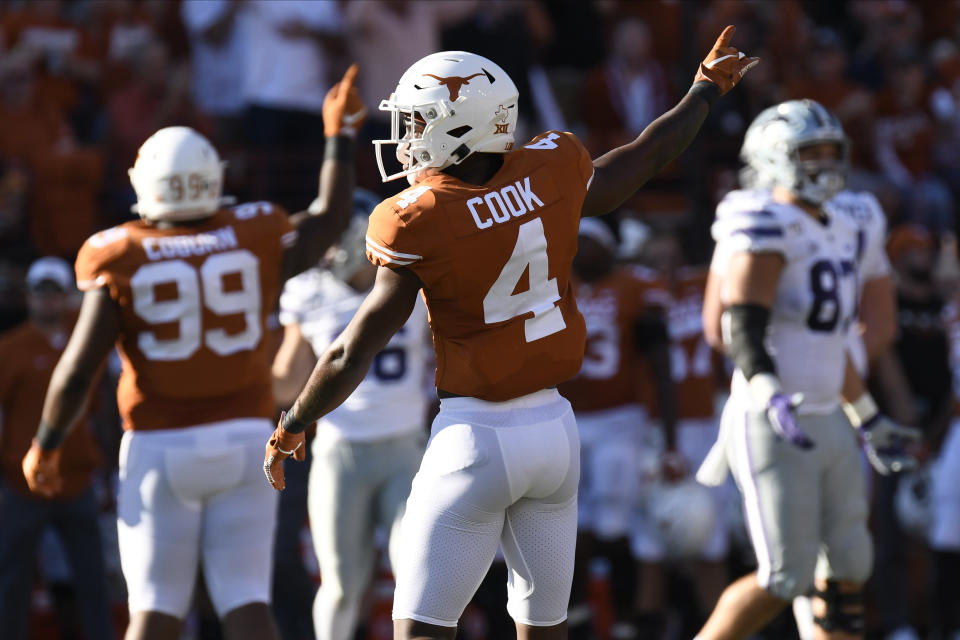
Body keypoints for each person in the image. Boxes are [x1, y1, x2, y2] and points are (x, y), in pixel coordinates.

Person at [264, 30, 759, 640]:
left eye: (420, 121)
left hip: (475, 435)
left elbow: (350, 348)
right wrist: (704, 91)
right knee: (542, 628)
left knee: (420, 628)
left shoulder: (418, 218)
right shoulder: (549, 167)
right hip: (555, 431)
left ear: (462, 125)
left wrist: (294, 421)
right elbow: (643, 158)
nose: (409, 136)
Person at [20, 66, 366, 640]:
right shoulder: (254, 235)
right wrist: (339, 135)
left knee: (155, 610)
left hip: (160, 444)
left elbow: (78, 371)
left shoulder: (121, 253)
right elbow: (330, 218)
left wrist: (47, 445)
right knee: (247, 602)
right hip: (244, 441)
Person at [694, 99, 920, 640]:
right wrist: (769, 390)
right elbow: (731, 330)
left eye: (830, 152)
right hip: (774, 418)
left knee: (849, 567)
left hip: (831, 415)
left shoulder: (851, 219)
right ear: (773, 159)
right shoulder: (760, 219)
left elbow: (831, 343)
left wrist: (866, 414)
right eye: (808, 153)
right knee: (785, 575)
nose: (824, 164)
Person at [272, 188, 432, 640]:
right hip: (342, 452)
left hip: (405, 449)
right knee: (341, 586)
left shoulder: (411, 282)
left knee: (417, 578)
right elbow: (287, 380)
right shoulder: (308, 291)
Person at [556, 217, 678, 639]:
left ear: (609, 247)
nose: (580, 249)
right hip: (565, 416)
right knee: (571, 523)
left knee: (613, 518)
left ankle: (626, 618)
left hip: (620, 419)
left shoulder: (637, 287)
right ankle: (577, 615)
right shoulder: (553, 281)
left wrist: (670, 437)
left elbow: (661, 364)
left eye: (589, 241)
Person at [0, 257, 113, 640]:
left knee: (92, 580)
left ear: (68, 297)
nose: (47, 301)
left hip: (77, 479)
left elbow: (102, 414)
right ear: (28, 296)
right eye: (40, 292)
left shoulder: (86, 345)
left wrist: (110, 471)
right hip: (21, 484)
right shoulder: (9, 349)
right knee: (12, 580)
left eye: (55, 293)